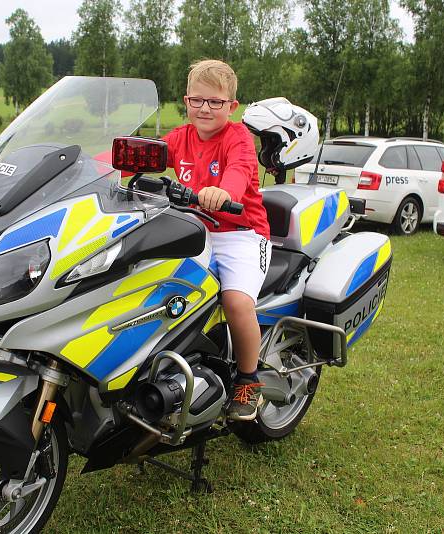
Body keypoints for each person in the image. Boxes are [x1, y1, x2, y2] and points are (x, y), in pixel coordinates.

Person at [162, 59, 271, 421]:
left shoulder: (237, 137)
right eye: (197, 100)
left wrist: (222, 192)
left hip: (242, 235)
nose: (205, 109)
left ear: (231, 106)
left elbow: (239, 171)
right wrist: (93, 166)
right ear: (186, 101)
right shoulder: (179, 137)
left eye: (215, 102)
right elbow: (140, 156)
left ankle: (248, 380)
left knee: (236, 302)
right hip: (195, 231)